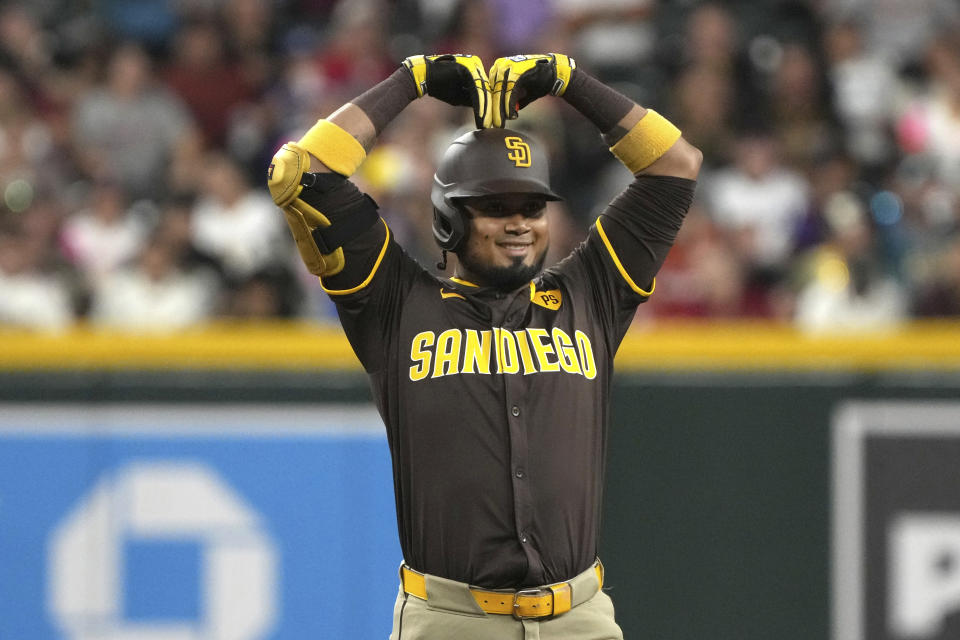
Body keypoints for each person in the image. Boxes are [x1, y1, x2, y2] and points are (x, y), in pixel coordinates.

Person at [267, 52, 701, 638]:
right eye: (495, 208)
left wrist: (568, 81)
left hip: (581, 618)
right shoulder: (395, 303)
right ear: (448, 218)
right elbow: (300, 170)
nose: (520, 222)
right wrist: (412, 81)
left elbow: (675, 164)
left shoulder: (590, 292)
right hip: (452, 620)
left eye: (531, 207)